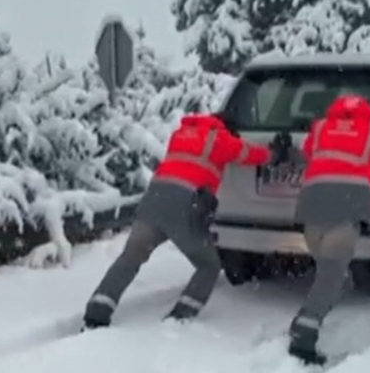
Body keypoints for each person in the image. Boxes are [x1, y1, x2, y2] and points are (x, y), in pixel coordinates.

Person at [83, 113, 270, 329]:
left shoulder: (181, 135)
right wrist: (275, 154)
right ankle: (180, 318)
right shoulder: (219, 139)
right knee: (209, 265)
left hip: (153, 200)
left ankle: (96, 314)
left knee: (130, 258)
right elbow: (252, 154)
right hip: (183, 205)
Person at [288, 93, 370, 364]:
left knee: (338, 277)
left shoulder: (321, 127)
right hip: (347, 207)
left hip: (311, 206)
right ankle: (304, 334)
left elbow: (307, 152)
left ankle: (306, 319)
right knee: (331, 275)